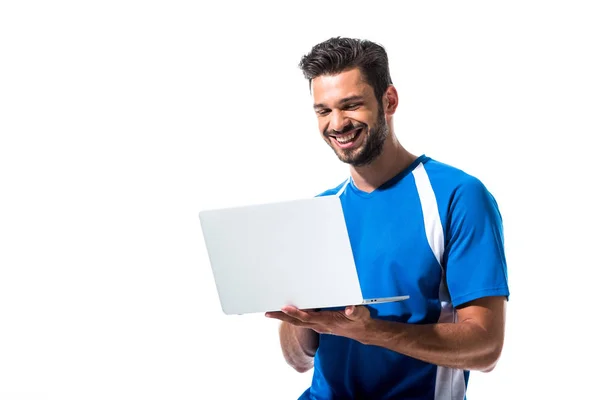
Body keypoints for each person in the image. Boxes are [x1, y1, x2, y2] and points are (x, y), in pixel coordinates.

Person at [265, 37, 510, 400]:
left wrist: (372, 332)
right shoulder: (318, 212)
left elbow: (486, 347)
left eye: (351, 105)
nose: (337, 124)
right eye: (323, 110)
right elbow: (299, 359)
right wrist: (299, 315)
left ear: (389, 101)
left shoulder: (456, 196)